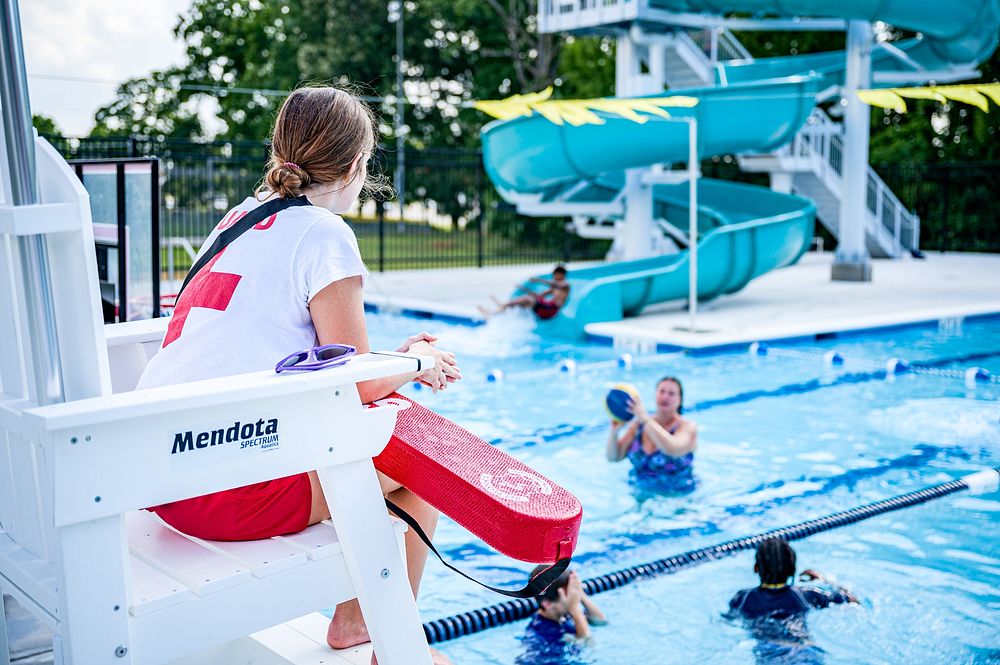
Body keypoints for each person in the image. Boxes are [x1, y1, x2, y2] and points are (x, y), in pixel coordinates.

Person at [136, 86, 460, 665]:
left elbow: (315, 356)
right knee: (420, 469)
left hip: (160, 472)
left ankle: (360, 619)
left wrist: (396, 359)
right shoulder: (325, 234)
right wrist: (421, 365)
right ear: (358, 165)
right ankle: (388, 643)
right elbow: (356, 383)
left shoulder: (239, 218)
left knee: (351, 441)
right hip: (220, 492)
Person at [726, 537, 859, 663]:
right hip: (804, 652)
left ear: (756, 568)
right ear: (792, 570)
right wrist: (825, 580)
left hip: (769, 655)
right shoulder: (807, 595)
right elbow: (852, 599)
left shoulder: (742, 598)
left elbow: (729, 620)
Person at [606, 376, 697, 492]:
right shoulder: (638, 425)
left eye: (671, 393)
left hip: (678, 496)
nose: (665, 397)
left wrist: (644, 418)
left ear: (680, 400)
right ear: (655, 395)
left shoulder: (687, 426)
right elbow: (614, 457)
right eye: (662, 391)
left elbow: (673, 449)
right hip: (641, 493)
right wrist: (614, 431)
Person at [515, 567, 606, 665]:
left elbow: (600, 621)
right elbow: (588, 644)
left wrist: (580, 594)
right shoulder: (544, 632)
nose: (573, 597)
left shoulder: (563, 614)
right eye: (569, 594)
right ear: (548, 604)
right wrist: (574, 607)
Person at [481, 265, 570, 320]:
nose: (554, 276)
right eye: (554, 274)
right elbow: (538, 296)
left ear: (562, 274)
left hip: (551, 310)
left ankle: (502, 307)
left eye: (556, 274)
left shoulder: (565, 285)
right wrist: (524, 289)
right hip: (546, 308)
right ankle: (499, 312)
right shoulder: (553, 288)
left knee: (528, 299)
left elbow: (556, 285)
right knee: (526, 300)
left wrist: (538, 280)